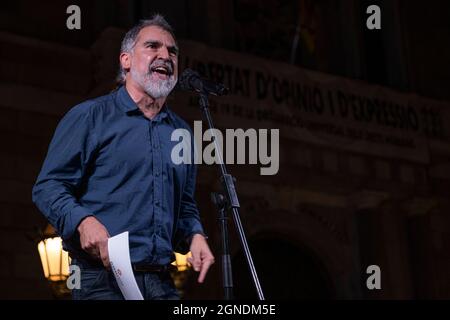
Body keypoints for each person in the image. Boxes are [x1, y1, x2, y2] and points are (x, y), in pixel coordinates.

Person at [32, 14, 215, 300]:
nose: (165, 55)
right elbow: (48, 186)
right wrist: (83, 221)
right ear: (126, 60)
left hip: (161, 283)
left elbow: (185, 205)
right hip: (100, 281)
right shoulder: (90, 117)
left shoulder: (182, 133)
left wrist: (196, 236)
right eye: (152, 46)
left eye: (172, 51)